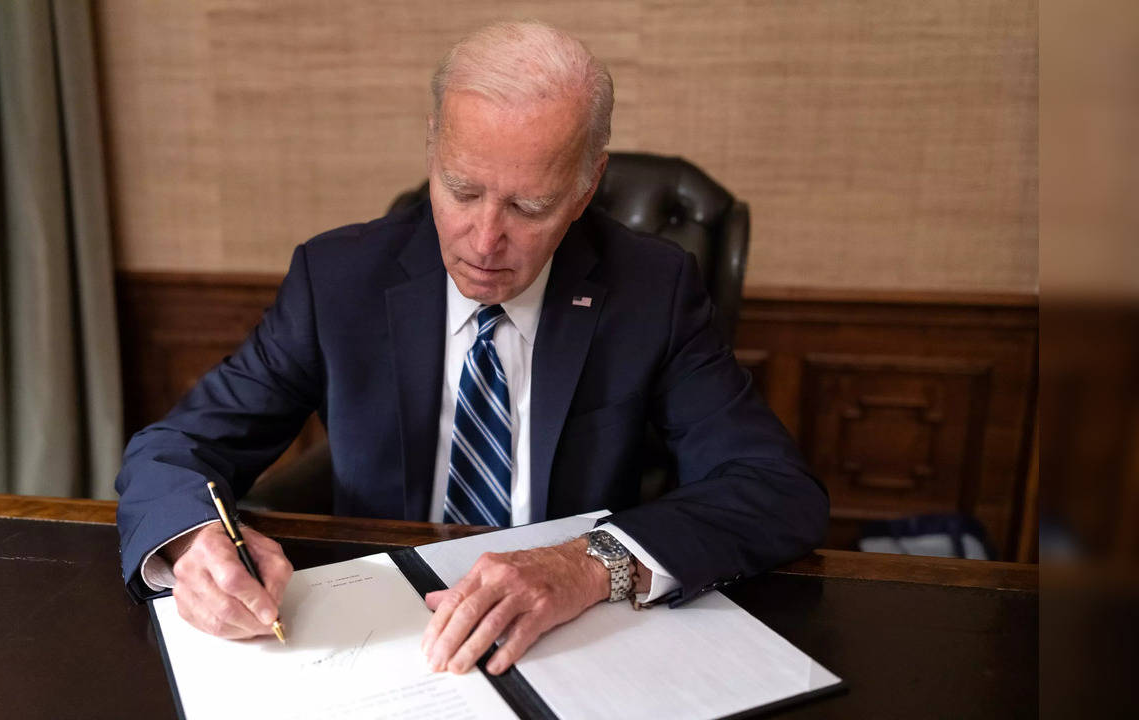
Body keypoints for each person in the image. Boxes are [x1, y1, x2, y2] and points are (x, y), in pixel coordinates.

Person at [116, 20, 828, 677]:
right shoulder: (338, 279)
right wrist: (193, 543)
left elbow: (775, 489)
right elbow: (174, 447)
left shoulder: (653, 289)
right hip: (381, 637)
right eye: (461, 190)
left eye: (529, 207)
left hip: (572, 640)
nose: (485, 242)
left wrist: (588, 565)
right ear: (433, 148)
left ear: (585, 189)